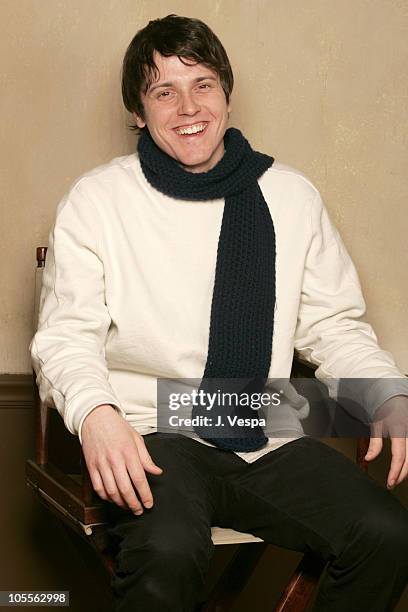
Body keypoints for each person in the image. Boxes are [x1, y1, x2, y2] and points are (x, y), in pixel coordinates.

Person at [30, 14, 408, 612]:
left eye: (203, 83)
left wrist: (384, 393)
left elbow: (332, 325)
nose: (188, 106)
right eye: (163, 90)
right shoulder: (97, 201)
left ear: (226, 96)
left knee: (386, 534)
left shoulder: (291, 196)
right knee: (169, 553)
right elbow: (66, 338)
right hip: (150, 434)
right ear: (138, 111)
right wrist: (97, 415)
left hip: (264, 433)